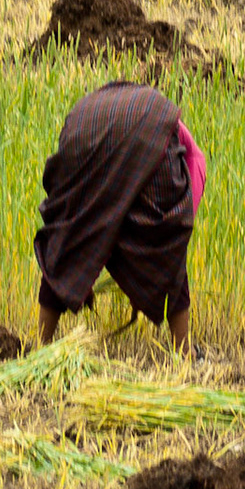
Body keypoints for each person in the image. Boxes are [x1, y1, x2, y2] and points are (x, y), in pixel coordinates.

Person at [34, 81, 206, 351]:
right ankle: (184, 351)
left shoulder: (160, 122)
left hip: (82, 129)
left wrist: (81, 268)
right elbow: (176, 226)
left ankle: (39, 345)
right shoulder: (192, 158)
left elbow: (98, 222)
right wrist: (162, 252)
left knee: (67, 235)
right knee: (170, 242)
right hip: (141, 132)